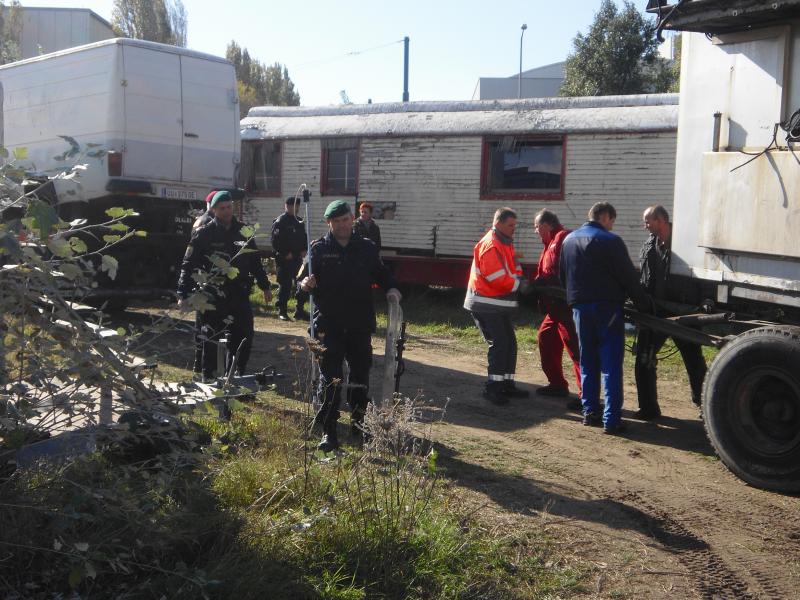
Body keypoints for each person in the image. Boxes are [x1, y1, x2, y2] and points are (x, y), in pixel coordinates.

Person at [299, 199, 401, 452]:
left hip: (358, 323)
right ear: (329, 223)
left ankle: (360, 423)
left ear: (352, 220)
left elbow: (382, 272)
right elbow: (300, 281)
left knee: (360, 375)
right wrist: (304, 285)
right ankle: (329, 430)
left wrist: (392, 288)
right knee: (331, 378)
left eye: (346, 220)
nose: (343, 225)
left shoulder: (365, 247)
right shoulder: (319, 249)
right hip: (328, 324)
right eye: (337, 221)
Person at [559, 202, 649, 434]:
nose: (612, 225)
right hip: (606, 308)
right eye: (612, 221)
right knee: (610, 364)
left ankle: (589, 412)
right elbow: (628, 277)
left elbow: (563, 275)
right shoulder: (611, 241)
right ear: (605, 217)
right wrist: (644, 305)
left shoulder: (568, 241)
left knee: (587, 360)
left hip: (579, 307)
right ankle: (612, 419)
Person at [177, 191, 272, 379]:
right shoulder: (203, 234)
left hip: (239, 294)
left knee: (243, 337)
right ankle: (209, 379)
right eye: (222, 208)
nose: (227, 211)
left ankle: (234, 377)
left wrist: (265, 286)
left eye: (229, 207)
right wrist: (183, 293)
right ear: (213, 210)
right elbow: (188, 265)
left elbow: (255, 262)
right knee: (210, 339)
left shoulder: (244, 232)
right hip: (212, 295)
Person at [635, 205, 707, 419]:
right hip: (657, 312)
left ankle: (705, 408)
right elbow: (645, 277)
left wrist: (706, 300)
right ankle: (648, 408)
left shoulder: (686, 244)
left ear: (661, 221)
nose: (645, 225)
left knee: (694, 363)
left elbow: (702, 274)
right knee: (644, 358)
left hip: (684, 314)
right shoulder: (649, 245)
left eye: (648, 221)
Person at [464, 207, 530, 405]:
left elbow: (514, 266)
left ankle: (506, 384)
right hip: (486, 304)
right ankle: (493, 388)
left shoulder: (504, 243)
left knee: (509, 343)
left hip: (494, 304)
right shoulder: (491, 245)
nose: (514, 229)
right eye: (511, 225)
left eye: (515, 225)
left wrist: (520, 278)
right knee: (501, 344)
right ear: (499, 223)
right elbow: (496, 277)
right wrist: (520, 284)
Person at [531, 209, 581, 401]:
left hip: (565, 306)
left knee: (575, 349)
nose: (536, 231)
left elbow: (566, 271)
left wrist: (543, 282)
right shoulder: (550, 243)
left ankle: (587, 396)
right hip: (554, 308)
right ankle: (557, 384)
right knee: (546, 337)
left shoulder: (563, 239)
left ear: (546, 225)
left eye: (537, 227)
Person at [190, 190, 217, 375]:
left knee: (201, 324)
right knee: (206, 325)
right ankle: (203, 365)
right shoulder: (209, 224)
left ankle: (198, 362)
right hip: (207, 280)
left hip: (200, 279)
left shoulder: (199, 220)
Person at [271, 196, 309, 321]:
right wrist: (285, 253)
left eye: (297, 206)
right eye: (292, 206)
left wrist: (304, 249)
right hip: (285, 259)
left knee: (301, 283)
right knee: (285, 285)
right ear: (287, 206)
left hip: (298, 258)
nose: (295, 208)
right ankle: (282, 310)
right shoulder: (280, 221)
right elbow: (275, 241)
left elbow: (304, 237)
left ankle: (299, 310)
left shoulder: (299, 221)